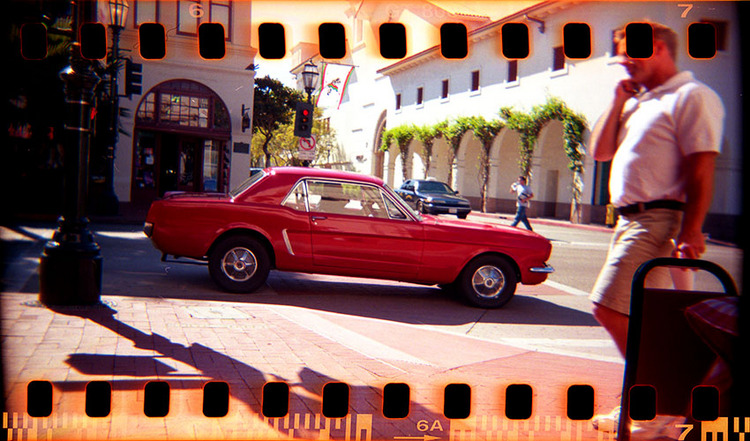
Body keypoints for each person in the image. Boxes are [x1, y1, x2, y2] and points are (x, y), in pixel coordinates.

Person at [589, 22, 724, 438]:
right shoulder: (641, 100)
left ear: (661, 49)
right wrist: (616, 102)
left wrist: (692, 230)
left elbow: (702, 167)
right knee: (649, 322)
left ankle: (657, 400)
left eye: (633, 55)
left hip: (659, 219)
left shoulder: (691, 96)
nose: (625, 64)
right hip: (629, 219)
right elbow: (601, 151)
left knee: (607, 307)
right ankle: (653, 405)